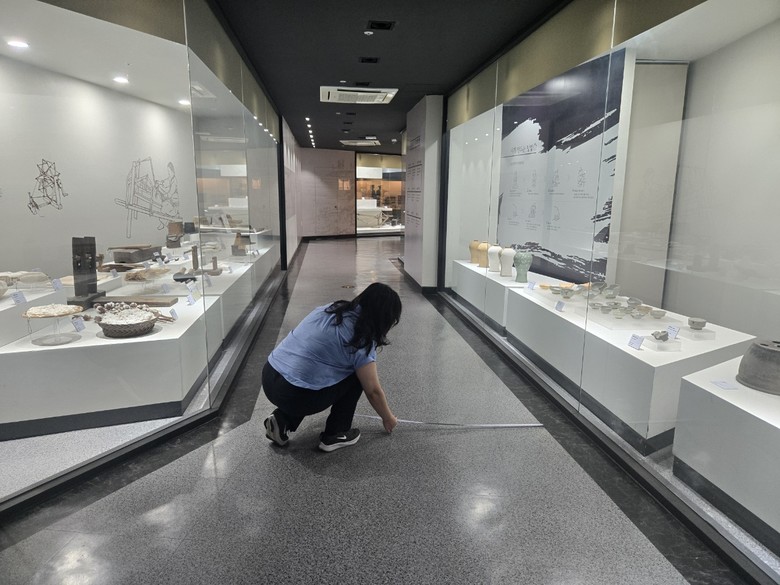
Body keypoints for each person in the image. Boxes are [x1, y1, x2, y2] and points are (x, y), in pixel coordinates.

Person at [261, 282, 401, 452]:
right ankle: (337, 433)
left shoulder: (331, 309)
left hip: (269, 375)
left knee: (312, 371)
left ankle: (282, 420)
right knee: (357, 376)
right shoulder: (360, 339)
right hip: (295, 395)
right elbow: (373, 391)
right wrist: (388, 418)